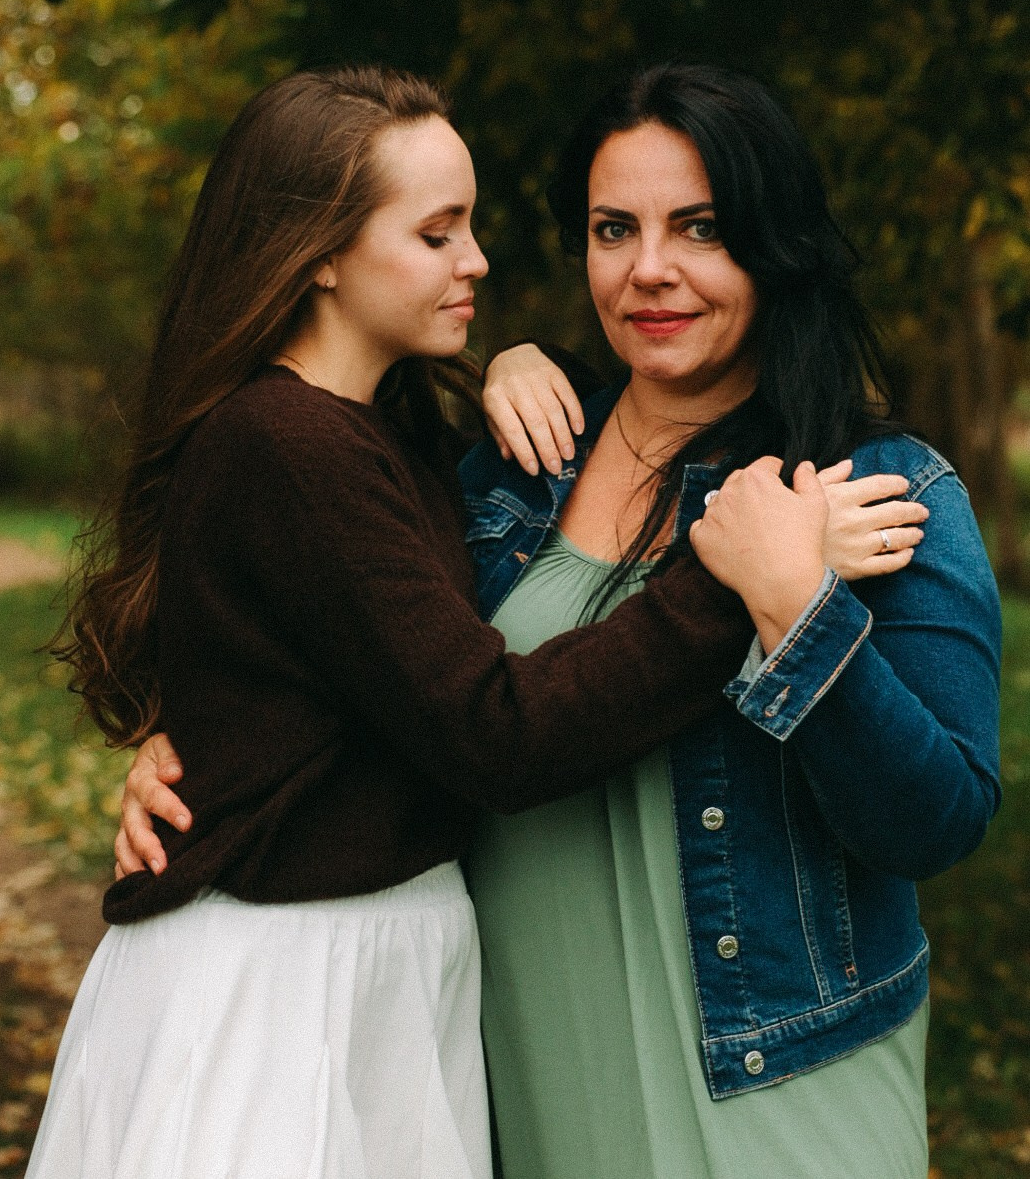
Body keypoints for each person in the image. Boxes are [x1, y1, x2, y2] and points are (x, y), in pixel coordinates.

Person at [115, 64, 993, 1179]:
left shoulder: (878, 490)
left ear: (775, 244)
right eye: (613, 229)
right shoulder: (506, 474)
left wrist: (797, 606)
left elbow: (936, 823)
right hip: (513, 1080)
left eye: (701, 227)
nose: (649, 268)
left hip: (771, 1082)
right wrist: (204, 750)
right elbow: (388, 675)